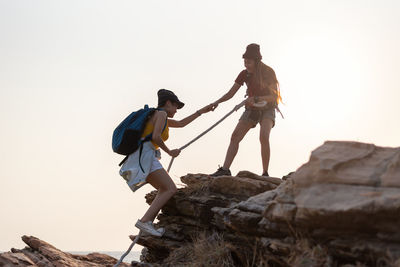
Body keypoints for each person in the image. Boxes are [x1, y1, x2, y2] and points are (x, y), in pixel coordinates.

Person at [120, 89, 213, 237]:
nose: (176, 110)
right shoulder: (161, 114)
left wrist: (201, 111)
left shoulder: (157, 116)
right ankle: (145, 221)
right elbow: (156, 137)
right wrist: (170, 152)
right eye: (176, 106)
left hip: (142, 156)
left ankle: (147, 222)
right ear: (168, 103)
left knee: (164, 189)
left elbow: (181, 124)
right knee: (170, 188)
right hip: (146, 156)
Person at [210, 43, 282, 177]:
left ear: (256, 61)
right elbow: (230, 93)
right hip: (252, 108)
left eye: (249, 62)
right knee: (235, 136)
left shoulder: (268, 72)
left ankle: (265, 172)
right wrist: (216, 102)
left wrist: (255, 98)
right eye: (245, 61)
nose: (246, 65)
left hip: (268, 108)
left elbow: (274, 96)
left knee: (264, 137)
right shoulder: (244, 74)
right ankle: (225, 169)